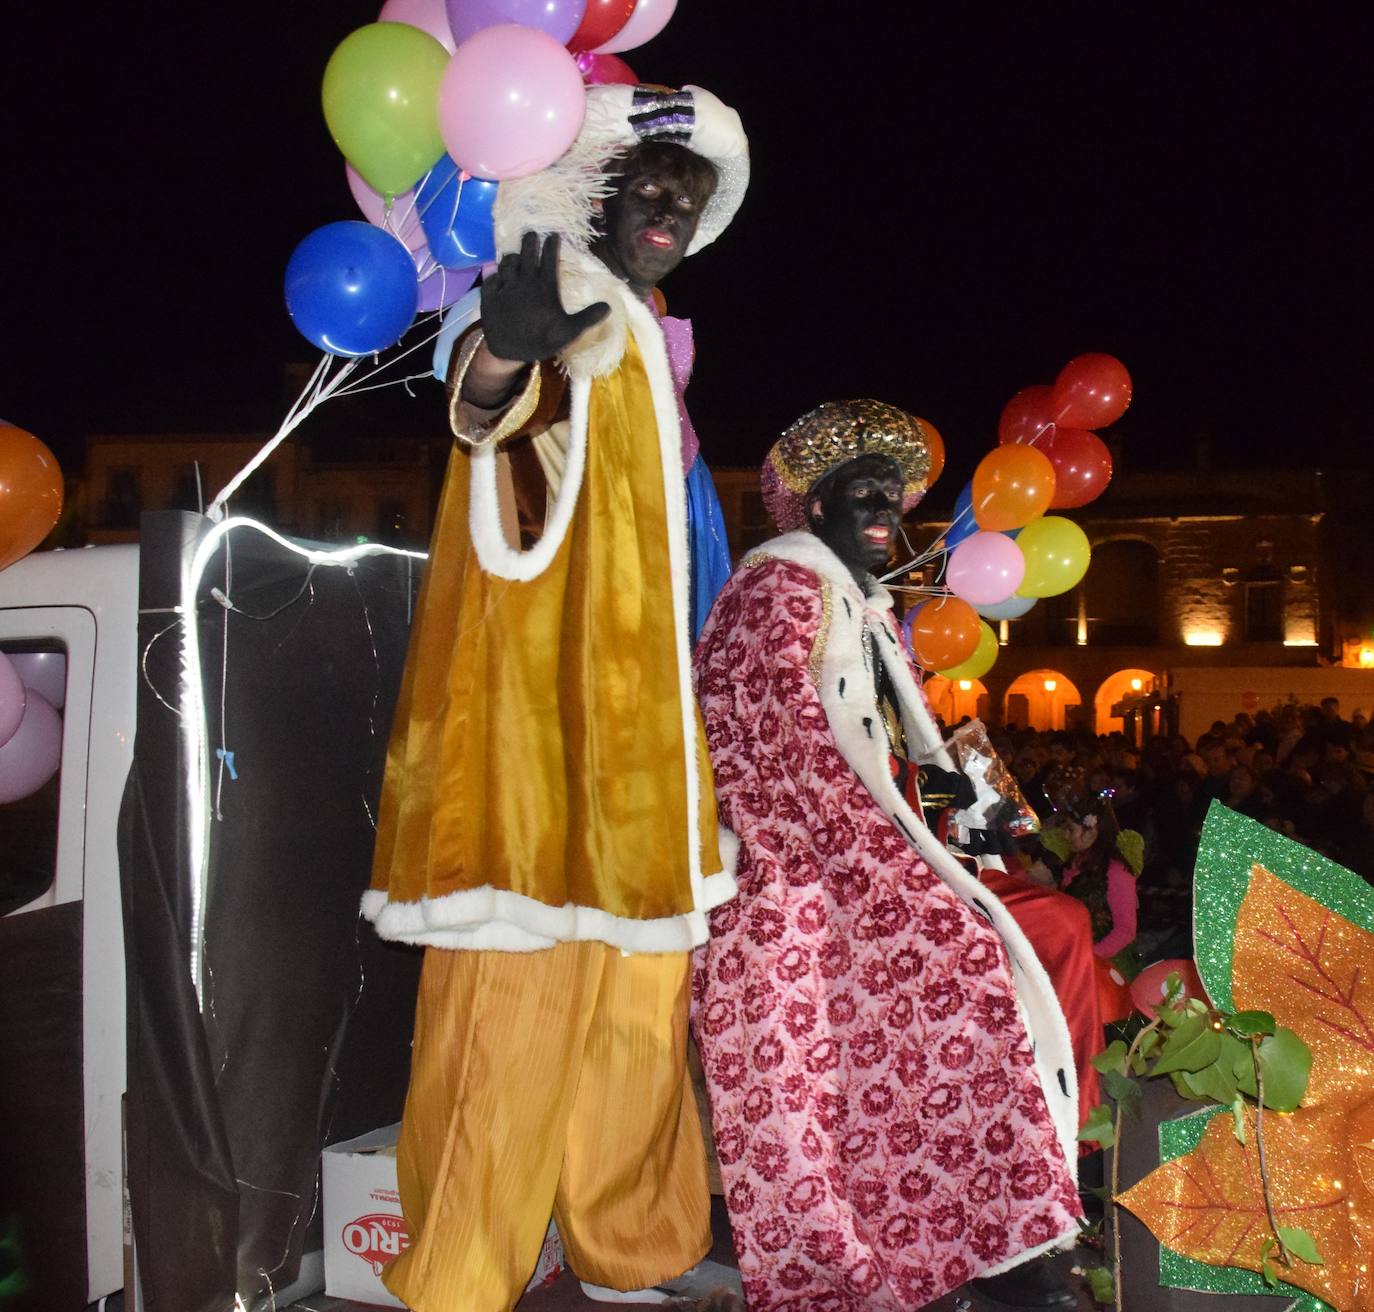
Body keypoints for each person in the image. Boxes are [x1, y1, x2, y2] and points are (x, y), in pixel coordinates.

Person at [361, 84, 749, 1312]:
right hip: (544, 741)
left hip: (645, 748)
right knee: (508, 1018)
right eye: (651, 186)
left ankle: (630, 1243)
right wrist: (503, 356)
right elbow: (493, 426)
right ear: (591, 190)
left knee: (638, 1019)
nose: (671, 213)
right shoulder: (568, 295)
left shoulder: (647, 337)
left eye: (689, 200)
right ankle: (462, 1276)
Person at [693, 401, 1083, 1311]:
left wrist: (980, 839)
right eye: (860, 496)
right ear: (813, 508)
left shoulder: (861, 610)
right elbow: (780, 756)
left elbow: (912, 757)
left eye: (893, 501)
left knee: (1054, 924)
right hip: (795, 880)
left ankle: (1004, 1227)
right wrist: (896, 873)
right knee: (964, 960)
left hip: (869, 859)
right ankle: (953, 1250)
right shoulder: (778, 590)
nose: (884, 514)